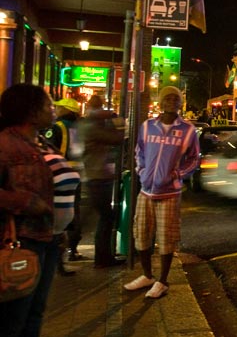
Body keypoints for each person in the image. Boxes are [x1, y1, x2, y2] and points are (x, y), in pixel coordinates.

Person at [124, 86, 199, 299]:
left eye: (176, 99)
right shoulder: (148, 127)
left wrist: (178, 174)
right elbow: (139, 150)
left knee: (167, 237)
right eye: (168, 98)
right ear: (161, 102)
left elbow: (194, 158)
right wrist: (142, 170)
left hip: (169, 193)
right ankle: (147, 275)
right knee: (142, 233)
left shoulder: (188, 130)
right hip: (146, 190)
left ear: (180, 104)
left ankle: (162, 281)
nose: (172, 102)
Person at [0, 84, 57, 337]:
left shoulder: (41, 142)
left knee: (34, 314)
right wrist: (26, 202)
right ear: (32, 112)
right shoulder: (6, 145)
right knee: (13, 320)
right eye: (48, 104)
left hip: (46, 238)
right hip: (20, 241)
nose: (53, 108)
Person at [79, 95, 126, 268]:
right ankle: (102, 257)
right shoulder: (91, 127)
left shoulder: (88, 125)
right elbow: (117, 139)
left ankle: (101, 255)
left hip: (96, 176)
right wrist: (119, 122)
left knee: (98, 217)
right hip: (97, 178)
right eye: (98, 108)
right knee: (106, 217)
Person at [43, 97, 84, 270]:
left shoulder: (57, 128)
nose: (56, 111)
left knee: (55, 220)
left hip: (58, 176)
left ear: (65, 110)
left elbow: (48, 150)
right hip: (76, 175)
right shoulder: (78, 128)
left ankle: (56, 260)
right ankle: (71, 250)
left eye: (59, 108)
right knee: (72, 213)